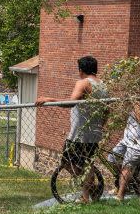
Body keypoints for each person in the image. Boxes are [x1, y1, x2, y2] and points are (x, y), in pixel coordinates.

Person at [36, 55, 109, 203]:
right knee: (88, 164)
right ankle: (87, 195)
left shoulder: (83, 83)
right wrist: (101, 125)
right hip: (94, 134)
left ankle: (90, 190)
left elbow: (70, 103)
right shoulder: (103, 85)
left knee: (67, 163)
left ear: (81, 70)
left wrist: (49, 100)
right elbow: (107, 110)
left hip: (79, 134)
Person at [108, 81, 140, 201]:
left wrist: (135, 103)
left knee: (126, 166)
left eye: (136, 90)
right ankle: (125, 181)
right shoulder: (139, 101)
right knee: (112, 158)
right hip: (127, 139)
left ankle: (120, 195)